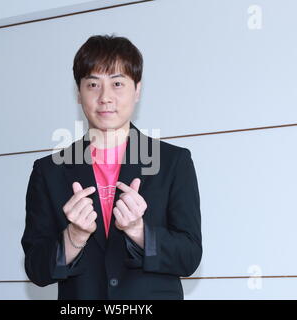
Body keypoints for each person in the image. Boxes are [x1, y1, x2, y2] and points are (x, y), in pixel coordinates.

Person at [21, 34, 202, 300]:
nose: (105, 97)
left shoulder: (173, 162)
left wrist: (139, 232)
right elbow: (36, 269)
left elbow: (189, 257)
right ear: (79, 93)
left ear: (137, 90)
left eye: (117, 83)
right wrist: (73, 237)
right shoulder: (49, 170)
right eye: (93, 84)